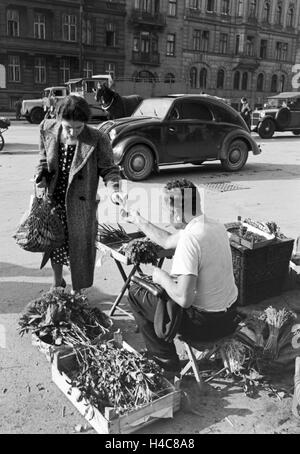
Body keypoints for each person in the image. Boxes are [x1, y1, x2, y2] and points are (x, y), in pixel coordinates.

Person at [123, 179, 239, 374]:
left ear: (176, 211)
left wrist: (161, 278)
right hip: (229, 318)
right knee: (165, 287)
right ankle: (164, 355)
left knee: (135, 292)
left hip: (205, 326)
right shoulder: (215, 226)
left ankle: (164, 359)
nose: (168, 218)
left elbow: (184, 299)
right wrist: (137, 219)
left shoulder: (190, 239)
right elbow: (167, 241)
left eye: (168, 211)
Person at [35, 95, 125, 293]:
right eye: (68, 127)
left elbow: (109, 169)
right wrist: (40, 175)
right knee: (55, 244)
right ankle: (57, 282)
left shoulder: (97, 138)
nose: (73, 132)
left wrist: (115, 190)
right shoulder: (47, 129)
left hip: (81, 204)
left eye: (79, 128)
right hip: (54, 200)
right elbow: (43, 159)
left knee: (81, 249)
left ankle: (79, 290)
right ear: (59, 120)